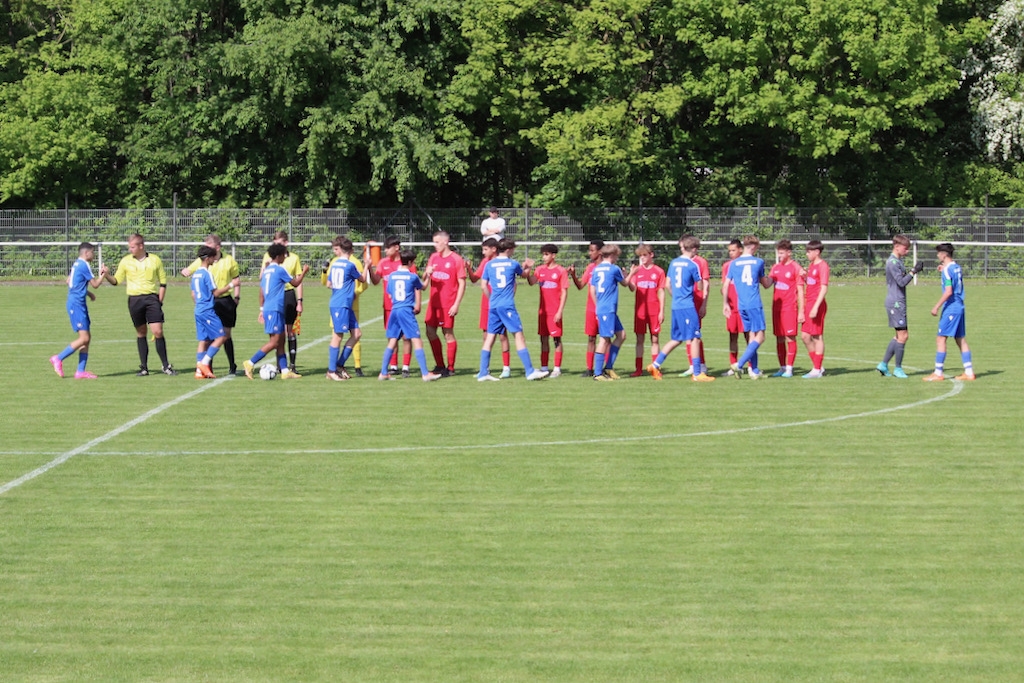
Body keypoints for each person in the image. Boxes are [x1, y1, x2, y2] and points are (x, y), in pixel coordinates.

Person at [102, 233, 177, 376]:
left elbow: (163, 282)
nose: (130, 249)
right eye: (129, 247)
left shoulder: (155, 260)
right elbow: (116, 281)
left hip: (151, 299)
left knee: (157, 331)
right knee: (141, 332)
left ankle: (166, 365)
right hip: (134, 300)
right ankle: (144, 367)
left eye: (132, 247)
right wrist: (106, 275)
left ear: (141, 246)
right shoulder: (125, 261)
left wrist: (159, 301)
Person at [476, 239, 548, 381]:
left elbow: (483, 285)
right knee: (518, 336)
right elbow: (525, 275)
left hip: (494, 305)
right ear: (509, 249)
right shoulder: (512, 263)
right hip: (507, 305)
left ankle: (483, 372)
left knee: (490, 338)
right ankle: (529, 371)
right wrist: (528, 266)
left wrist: (491, 299)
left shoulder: (489, 264)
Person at [647, 235, 715, 382]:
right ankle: (697, 373)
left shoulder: (674, 263)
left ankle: (655, 364)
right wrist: (700, 296)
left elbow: (667, 284)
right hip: (687, 306)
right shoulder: (692, 265)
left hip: (676, 305)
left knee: (677, 339)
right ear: (694, 249)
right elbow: (700, 285)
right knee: (695, 337)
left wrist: (676, 296)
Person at [244, 243, 310, 379]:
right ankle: (250, 363)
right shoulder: (280, 270)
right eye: (284, 255)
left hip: (269, 308)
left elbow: (261, 292)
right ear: (279, 256)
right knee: (274, 342)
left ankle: (285, 372)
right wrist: (304, 272)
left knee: (280, 341)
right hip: (275, 309)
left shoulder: (267, 271)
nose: (285, 258)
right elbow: (295, 283)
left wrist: (261, 309)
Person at [181, 234, 241, 375]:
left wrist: (237, 297)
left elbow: (236, 277)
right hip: (210, 303)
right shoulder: (206, 271)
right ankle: (205, 364)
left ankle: (212, 368)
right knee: (218, 337)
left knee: (215, 337)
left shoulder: (229, 261)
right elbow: (215, 292)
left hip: (222, 302)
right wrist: (231, 285)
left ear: (218, 248)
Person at [378, 250, 442, 382]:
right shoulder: (412, 276)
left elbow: (389, 294)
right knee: (416, 339)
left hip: (394, 309)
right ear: (411, 262)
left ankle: (383, 372)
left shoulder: (392, 276)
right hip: (406, 310)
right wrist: (428, 275)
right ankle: (425, 373)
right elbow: (423, 287)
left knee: (392, 341)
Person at [50, 242, 108, 379]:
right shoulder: (84, 265)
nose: (93, 255)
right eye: (93, 252)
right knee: (84, 338)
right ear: (86, 253)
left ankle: (80, 371)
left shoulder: (76, 264)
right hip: (76, 304)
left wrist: (87, 294)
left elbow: (70, 281)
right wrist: (103, 275)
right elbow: (95, 285)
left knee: (87, 339)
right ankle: (58, 358)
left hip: (78, 302)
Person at [923, 243, 976, 381]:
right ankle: (969, 372)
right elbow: (953, 279)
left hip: (951, 307)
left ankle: (938, 373)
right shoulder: (956, 267)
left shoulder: (947, 270)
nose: (937, 255)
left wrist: (936, 306)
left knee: (941, 338)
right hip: (960, 306)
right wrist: (944, 269)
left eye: (939, 253)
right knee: (960, 339)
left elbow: (948, 291)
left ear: (944, 254)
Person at [724, 235, 772, 379]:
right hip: (754, 304)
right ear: (753, 246)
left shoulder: (734, 263)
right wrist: (774, 276)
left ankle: (754, 371)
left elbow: (726, 285)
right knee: (761, 336)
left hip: (741, 305)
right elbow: (766, 284)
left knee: (751, 336)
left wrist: (725, 303)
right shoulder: (758, 262)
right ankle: (739, 365)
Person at [324, 236, 370, 381]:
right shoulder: (350, 265)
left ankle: (339, 365)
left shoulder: (335, 263)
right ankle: (331, 371)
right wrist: (367, 265)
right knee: (338, 336)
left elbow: (329, 284)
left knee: (356, 334)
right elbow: (362, 279)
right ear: (351, 250)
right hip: (341, 304)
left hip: (343, 304)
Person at [368, 235, 415, 377]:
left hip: (406, 306)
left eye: (388, 248)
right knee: (392, 336)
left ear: (396, 248)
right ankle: (393, 366)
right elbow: (376, 281)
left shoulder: (406, 263)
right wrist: (369, 268)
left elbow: (415, 285)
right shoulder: (383, 263)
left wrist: (416, 303)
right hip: (389, 307)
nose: (386, 251)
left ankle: (406, 366)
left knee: (407, 337)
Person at [878, 234, 924, 379]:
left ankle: (884, 364)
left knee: (899, 335)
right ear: (897, 246)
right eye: (905, 248)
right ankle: (898, 368)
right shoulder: (892, 263)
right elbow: (901, 282)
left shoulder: (897, 261)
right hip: (896, 303)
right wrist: (913, 271)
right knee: (903, 335)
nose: (907, 251)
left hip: (898, 301)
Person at [590, 244, 638, 381]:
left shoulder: (597, 269)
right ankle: (598, 373)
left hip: (604, 308)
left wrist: (597, 306)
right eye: (617, 256)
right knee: (604, 339)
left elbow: (592, 290)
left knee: (621, 335)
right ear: (612, 255)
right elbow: (625, 283)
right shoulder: (613, 269)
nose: (617, 258)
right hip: (608, 309)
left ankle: (609, 367)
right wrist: (632, 273)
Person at [424, 230, 467, 376]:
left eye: (437, 242)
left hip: (447, 303)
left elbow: (462, 283)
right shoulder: (433, 257)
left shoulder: (456, 259)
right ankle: (440, 365)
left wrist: (456, 304)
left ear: (446, 242)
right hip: (433, 302)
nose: (435, 245)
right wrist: (427, 272)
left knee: (447, 333)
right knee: (429, 332)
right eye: (434, 242)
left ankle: (450, 368)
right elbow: (426, 277)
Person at [467, 238, 511, 377]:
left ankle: (506, 368)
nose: (483, 252)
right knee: (486, 335)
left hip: (500, 302)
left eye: (485, 249)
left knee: (502, 335)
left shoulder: (502, 261)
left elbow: (513, 283)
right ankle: (485, 369)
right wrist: (468, 268)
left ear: (494, 249)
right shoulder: (485, 262)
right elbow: (475, 279)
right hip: (487, 304)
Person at [260, 231, 304, 372]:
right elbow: (262, 278)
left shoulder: (294, 258)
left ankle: (291, 366)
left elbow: (298, 282)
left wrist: (300, 301)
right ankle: (280, 366)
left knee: (290, 331)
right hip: (274, 298)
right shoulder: (270, 259)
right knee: (278, 335)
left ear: (285, 243)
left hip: (288, 295)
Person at [526, 243, 569, 377]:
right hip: (543, 312)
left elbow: (564, 292)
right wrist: (528, 269)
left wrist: (560, 311)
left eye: (546, 254)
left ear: (553, 255)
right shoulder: (540, 270)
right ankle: (544, 367)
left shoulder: (561, 271)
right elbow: (532, 281)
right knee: (543, 339)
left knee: (556, 339)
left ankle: (557, 368)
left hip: (554, 311)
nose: (544, 257)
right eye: (543, 254)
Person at [768, 239, 805, 377]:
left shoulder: (796, 268)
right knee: (779, 338)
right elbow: (767, 284)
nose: (780, 256)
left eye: (782, 253)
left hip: (790, 308)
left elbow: (801, 291)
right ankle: (782, 367)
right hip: (776, 308)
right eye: (779, 253)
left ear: (789, 253)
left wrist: (801, 311)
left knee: (790, 338)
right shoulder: (775, 268)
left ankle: (789, 368)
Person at [628, 244, 665, 377]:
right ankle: (638, 369)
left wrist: (662, 311)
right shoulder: (637, 271)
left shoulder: (659, 271)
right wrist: (630, 274)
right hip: (640, 311)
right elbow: (632, 288)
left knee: (654, 340)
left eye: (644, 255)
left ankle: (655, 367)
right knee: (639, 339)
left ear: (651, 255)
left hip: (654, 310)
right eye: (640, 256)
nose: (642, 258)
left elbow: (661, 291)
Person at [569, 239, 604, 376]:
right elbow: (580, 286)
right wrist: (573, 275)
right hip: (590, 308)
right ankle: (589, 368)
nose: (590, 253)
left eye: (592, 250)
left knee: (605, 338)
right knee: (591, 338)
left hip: (604, 308)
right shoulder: (590, 268)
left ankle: (603, 368)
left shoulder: (608, 267)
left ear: (600, 252)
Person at [680, 235, 711, 377]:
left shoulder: (700, 262)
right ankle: (693, 365)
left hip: (695, 301)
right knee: (688, 334)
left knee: (695, 334)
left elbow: (705, 283)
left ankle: (701, 365)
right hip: (684, 302)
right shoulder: (680, 262)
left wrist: (704, 303)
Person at [800, 239, 830, 378]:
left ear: (817, 252)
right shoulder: (811, 265)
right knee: (805, 336)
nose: (807, 254)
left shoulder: (823, 266)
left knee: (817, 336)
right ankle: (818, 367)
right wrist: (805, 277)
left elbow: (823, 288)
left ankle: (816, 370)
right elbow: (812, 283)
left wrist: (816, 307)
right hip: (808, 303)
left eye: (809, 251)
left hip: (816, 305)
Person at [720, 239, 748, 375]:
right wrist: (725, 301)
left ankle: (752, 365)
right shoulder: (726, 266)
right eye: (729, 251)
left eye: (733, 250)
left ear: (741, 250)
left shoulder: (746, 265)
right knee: (733, 336)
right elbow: (724, 286)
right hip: (731, 307)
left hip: (744, 306)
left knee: (749, 335)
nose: (731, 253)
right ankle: (733, 365)